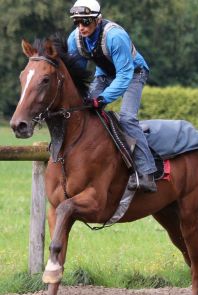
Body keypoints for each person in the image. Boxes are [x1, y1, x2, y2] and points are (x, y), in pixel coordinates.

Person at [68, 0, 157, 192]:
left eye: (85, 21)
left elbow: (124, 75)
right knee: (83, 110)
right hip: (105, 74)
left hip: (134, 73)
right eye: (77, 22)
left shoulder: (116, 36)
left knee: (127, 118)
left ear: (98, 19)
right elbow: (76, 75)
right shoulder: (74, 40)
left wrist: (102, 99)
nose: (81, 27)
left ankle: (147, 173)